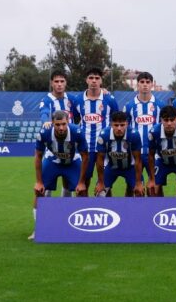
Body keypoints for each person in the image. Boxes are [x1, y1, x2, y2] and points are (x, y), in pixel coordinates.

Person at [31, 110, 89, 240]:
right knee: (39, 191)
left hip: (72, 161)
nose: (61, 127)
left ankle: (84, 229)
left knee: (82, 192)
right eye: (57, 125)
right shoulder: (44, 133)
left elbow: (85, 157)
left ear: (68, 122)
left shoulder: (77, 132)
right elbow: (38, 156)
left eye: (63, 124)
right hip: (53, 161)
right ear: (52, 123)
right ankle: (38, 229)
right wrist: (39, 181)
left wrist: (81, 182)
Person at [74, 68, 120, 194]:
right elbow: (72, 120)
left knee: (105, 184)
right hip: (85, 148)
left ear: (101, 81)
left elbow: (117, 121)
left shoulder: (109, 99)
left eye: (97, 78)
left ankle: (107, 211)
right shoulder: (78, 100)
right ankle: (82, 209)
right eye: (91, 78)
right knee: (84, 182)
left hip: (105, 148)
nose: (94, 81)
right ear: (86, 80)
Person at [93, 111, 144, 197]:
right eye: (116, 125)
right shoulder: (104, 135)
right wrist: (101, 182)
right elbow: (100, 160)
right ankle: (109, 209)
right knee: (100, 194)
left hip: (130, 168)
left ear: (127, 124)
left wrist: (138, 183)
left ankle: (132, 209)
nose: (119, 128)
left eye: (122, 125)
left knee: (139, 193)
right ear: (111, 124)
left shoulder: (134, 135)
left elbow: (138, 160)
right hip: (111, 167)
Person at [124, 71, 160, 185]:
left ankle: (159, 204)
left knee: (155, 187)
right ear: (137, 85)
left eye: (148, 82)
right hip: (135, 153)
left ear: (152, 84)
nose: (145, 84)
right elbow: (125, 130)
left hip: (154, 153)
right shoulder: (129, 106)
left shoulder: (160, 105)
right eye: (142, 82)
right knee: (133, 187)